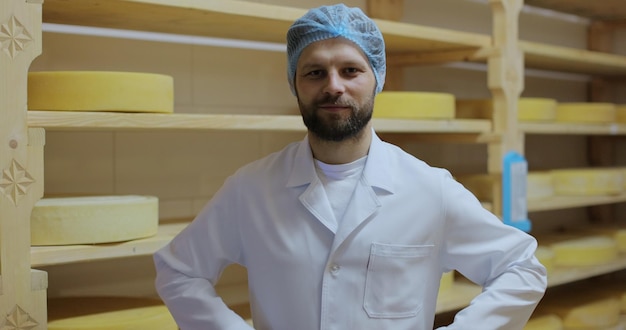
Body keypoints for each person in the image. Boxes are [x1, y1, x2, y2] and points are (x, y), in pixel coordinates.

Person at [153, 4, 547, 329]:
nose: (333, 86)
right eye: (314, 72)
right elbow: (178, 270)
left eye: (350, 70)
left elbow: (522, 268)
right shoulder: (252, 188)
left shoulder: (429, 189)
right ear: (294, 84)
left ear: (377, 79)